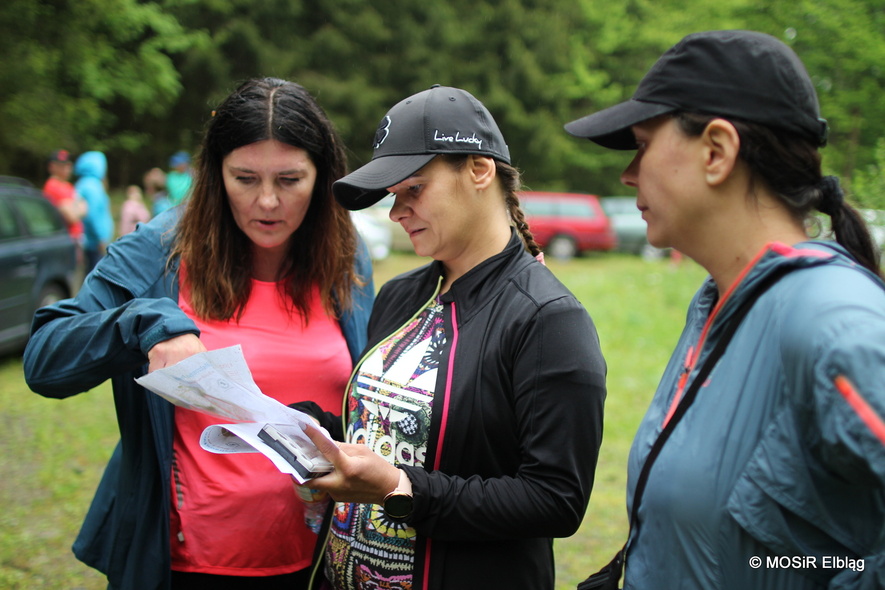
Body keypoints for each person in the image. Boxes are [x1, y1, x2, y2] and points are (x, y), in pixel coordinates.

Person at [23, 77, 375, 590]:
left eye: (291, 180)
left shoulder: (345, 255)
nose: (269, 201)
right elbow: (44, 359)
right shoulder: (161, 248)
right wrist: (145, 324)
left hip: (319, 560)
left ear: (323, 178)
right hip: (187, 565)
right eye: (246, 178)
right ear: (215, 174)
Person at [565, 30, 885, 589]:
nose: (628, 174)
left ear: (716, 151)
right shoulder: (716, 302)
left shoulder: (835, 323)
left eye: (642, 144)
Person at [300, 85, 607, 590]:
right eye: (392, 195)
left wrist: (400, 490)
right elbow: (404, 431)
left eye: (413, 189)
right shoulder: (398, 295)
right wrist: (314, 431)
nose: (397, 212)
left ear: (480, 170)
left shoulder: (548, 320)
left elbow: (556, 500)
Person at [74, 150, 114, 273]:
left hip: (84, 241)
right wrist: (101, 238)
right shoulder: (94, 187)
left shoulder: (81, 184)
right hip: (93, 243)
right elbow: (93, 215)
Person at [42, 148, 87, 243]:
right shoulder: (52, 186)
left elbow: (85, 207)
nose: (67, 168)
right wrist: (78, 207)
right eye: (61, 165)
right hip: (66, 239)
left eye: (68, 165)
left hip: (77, 237)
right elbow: (71, 217)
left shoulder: (68, 185)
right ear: (52, 166)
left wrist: (76, 208)